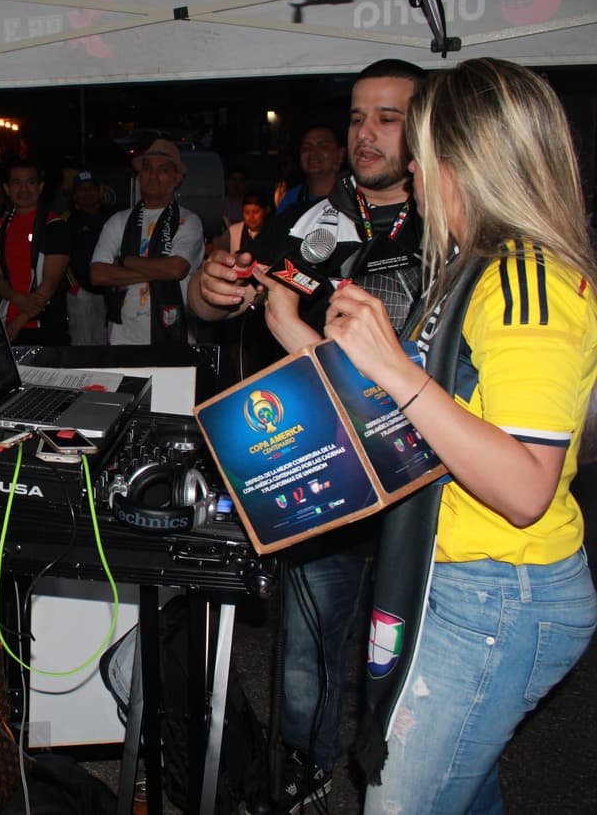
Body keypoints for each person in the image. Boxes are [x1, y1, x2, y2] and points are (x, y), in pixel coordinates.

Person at [321, 57, 597, 815]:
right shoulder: (476, 268)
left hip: (501, 592)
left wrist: (397, 371)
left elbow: (523, 486)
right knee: (463, 795)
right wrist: (300, 332)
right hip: (466, 577)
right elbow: (439, 414)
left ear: (464, 160)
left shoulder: (524, 282)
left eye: (421, 147)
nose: (409, 165)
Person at [188, 59, 425, 812]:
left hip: (426, 489)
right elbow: (236, 296)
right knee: (303, 662)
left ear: (422, 128)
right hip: (319, 474)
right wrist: (211, 288)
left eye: (387, 117)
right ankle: (303, 780)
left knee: (418, 673)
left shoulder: (453, 218)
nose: (366, 133)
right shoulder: (309, 215)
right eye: (358, 116)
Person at [91, 137, 204, 350]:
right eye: (147, 168)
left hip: (175, 338)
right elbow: (98, 275)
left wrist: (127, 260)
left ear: (177, 178)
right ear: (139, 176)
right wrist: (159, 269)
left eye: (162, 170)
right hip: (123, 339)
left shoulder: (189, 221)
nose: (153, 175)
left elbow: (176, 269)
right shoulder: (118, 221)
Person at [0, 160, 71, 345]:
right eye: (17, 183)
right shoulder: (0, 228)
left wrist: (19, 322)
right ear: (7, 189)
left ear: (40, 187)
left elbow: (50, 284)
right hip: (7, 320)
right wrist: (15, 297)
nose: (24, 189)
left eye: (30, 182)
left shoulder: (54, 226)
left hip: (44, 326)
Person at [63, 171, 110, 346]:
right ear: (75, 194)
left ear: (99, 191)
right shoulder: (67, 220)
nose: (87, 193)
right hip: (81, 291)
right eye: (82, 189)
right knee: (83, 343)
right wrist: (73, 285)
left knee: (104, 341)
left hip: (108, 290)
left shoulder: (111, 217)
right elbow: (61, 257)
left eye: (91, 188)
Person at [275, 126, 346, 215]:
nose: (313, 153)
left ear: (341, 154)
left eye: (323, 146)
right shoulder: (291, 200)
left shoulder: (355, 199)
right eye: (306, 147)